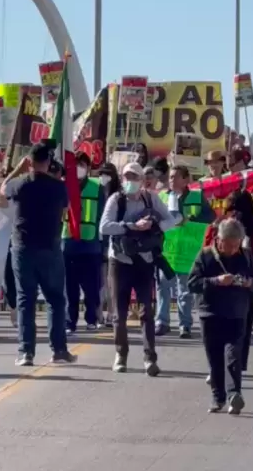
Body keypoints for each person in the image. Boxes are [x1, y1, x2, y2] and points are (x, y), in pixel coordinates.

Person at [0, 142, 77, 366]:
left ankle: (26, 353)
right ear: (49, 163)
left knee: (26, 299)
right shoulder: (58, 187)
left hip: (23, 248)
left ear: (30, 162)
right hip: (50, 248)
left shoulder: (20, 184)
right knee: (55, 299)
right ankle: (59, 350)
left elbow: (2, 188)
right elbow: (64, 209)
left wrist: (18, 168)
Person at [99, 162, 177, 376]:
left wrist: (154, 226)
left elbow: (172, 219)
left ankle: (149, 358)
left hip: (144, 260)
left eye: (134, 177)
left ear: (142, 180)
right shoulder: (116, 199)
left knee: (147, 312)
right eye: (126, 177)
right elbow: (104, 227)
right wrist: (131, 226)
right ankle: (121, 354)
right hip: (120, 261)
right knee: (119, 313)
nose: (129, 181)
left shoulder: (150, 198)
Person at [189, 218, 253, 414]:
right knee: (214, 358)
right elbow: (192, 283)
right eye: (229, 245)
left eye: (236, 245)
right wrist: (216, 281)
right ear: (219, 240)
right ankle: (217, 397)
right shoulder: (205, 256)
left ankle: (234, 394)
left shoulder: (245, 256)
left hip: (237, 313)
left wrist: (248, 283)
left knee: (233, 355)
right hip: (210, 313)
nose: (232, 249)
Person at [203, 190, 253, 374]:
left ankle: (236, 366)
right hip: (220, 287)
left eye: (237, 210)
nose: (234, 215)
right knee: (218, 330)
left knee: (242, 330)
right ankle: (219, 369)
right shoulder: (217, 229)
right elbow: (205, 253)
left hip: (246, 289)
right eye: (230, 210)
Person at [156, 165, 216, 339]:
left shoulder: (197, 197)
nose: (172, 180)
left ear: (185, 180)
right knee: (163, 288)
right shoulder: (162, 197)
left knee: (185, 291)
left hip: (188, 253)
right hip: (167, 251)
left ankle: (185, 325)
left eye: (176, 177)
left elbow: (210, 216)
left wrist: (190, 219)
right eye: (171, 176)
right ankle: (162, 322)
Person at [60, 152, 106, 333]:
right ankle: (70, 321)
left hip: (90, 244)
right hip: (68, 243)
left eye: (83, 164)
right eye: (76, 164)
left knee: (91, 288)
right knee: (69, 288)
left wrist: (104, 246)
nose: (79, 167)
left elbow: (103, 216)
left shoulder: (97, 187)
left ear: (88, 168)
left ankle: (91, 319)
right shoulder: (64, 186)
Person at [97, 163, 120, 328]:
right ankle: (99, 314)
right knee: (99, 280)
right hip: (95, 240)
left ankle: (112, 313)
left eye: (108, 174)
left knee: (111, 280)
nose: (104, 177)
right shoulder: (95, 191)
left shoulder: (118, 196)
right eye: (102, 173)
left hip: (113, 241)